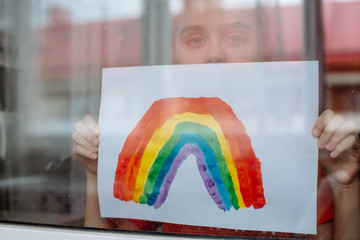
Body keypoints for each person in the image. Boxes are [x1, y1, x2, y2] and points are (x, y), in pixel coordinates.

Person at [72, 0, 360, 238]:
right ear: (174, 54)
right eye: (195, 39)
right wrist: (98, 173)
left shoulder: (302, 143)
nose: (214, 55)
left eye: (236, 38)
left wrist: (346, 184)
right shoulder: (154, 137)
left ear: (265, 50)